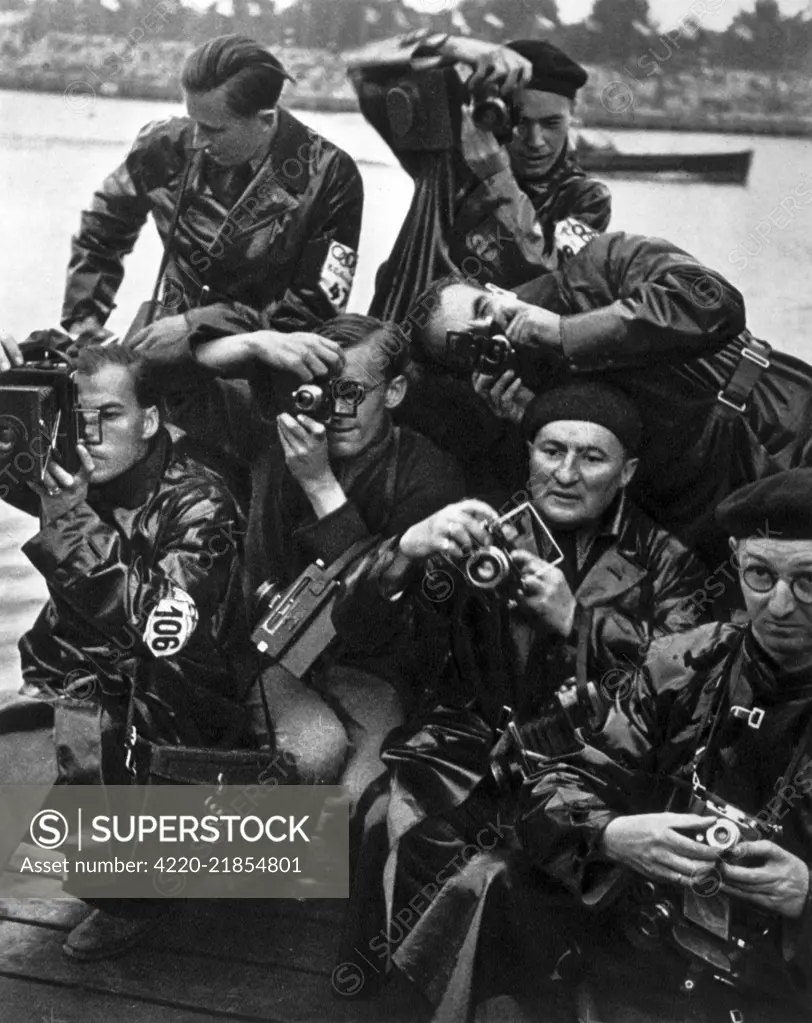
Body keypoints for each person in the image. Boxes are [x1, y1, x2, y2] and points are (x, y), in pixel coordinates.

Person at [334, 382, 709, 1013]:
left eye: (592, 458)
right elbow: (359, 633)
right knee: (399, 824)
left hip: (593, 772)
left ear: (628, 473)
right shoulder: (480, 530)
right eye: (551, 451)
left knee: (502, 876)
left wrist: (579, 621)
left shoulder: (667, 559)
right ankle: (409, 999)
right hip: (466, 754)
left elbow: (692, 680)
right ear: (528, 452)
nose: (565, 474)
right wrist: (403, 551)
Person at [514, 467, 812, 1023]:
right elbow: (556, 783)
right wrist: (610, 833)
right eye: (759, 574)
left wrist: (806, 896)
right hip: (655, 968)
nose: (777, 606)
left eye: (808, 583)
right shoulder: (683, 662)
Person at [131, 314, 466, 808]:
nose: (337, 408)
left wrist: (319, 485)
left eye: (353, 390)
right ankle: (258, 864)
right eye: (323, 389)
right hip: (269, 652)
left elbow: (380, 614)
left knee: (365, 792)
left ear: (393, 392)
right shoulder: (273, 431)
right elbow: (153, 377)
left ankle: (307, 876)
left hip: (368, 662)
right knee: (314, 753)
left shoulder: (429, 473)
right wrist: (250, 344)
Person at [0, 335, 254, 961]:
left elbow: (164, 627)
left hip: (178, 695)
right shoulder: (79, 472)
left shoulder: (202, 501)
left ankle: (131, 897)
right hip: (81, 677)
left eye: (109, 415)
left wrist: (71, 524)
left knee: (88, 743)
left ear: (149, 418)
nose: (88, 435)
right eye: (76, 417)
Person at [402, 231, 812, 578]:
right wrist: (534, 420)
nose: (489, 330)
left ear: (495, 290)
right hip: (719, 505)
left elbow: (715, 303)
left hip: (781, 412)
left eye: (482, 310)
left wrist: (564, 332)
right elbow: (616, 503)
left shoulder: (600, 264)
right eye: (469, 345)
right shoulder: (519, 403)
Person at [62, 34, 364, 347]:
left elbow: (312, 311)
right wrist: (84, 321)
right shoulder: (164, 146)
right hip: (162, 349)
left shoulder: (330, 175)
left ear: (265, 120)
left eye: (213, 130)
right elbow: (102, 227)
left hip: (266, 366)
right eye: (193, 121)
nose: (197, 140)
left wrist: (197, 326)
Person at [349, 34, 610, 316]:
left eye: (551, 124)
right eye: (520, 123)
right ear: (496, 114)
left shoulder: (585, 199)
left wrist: (495, 177)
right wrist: (453, 46)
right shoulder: (447, 150)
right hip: (405, 339)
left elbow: (549, 281)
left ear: (573, 117)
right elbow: (363, 70)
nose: (536, 141)